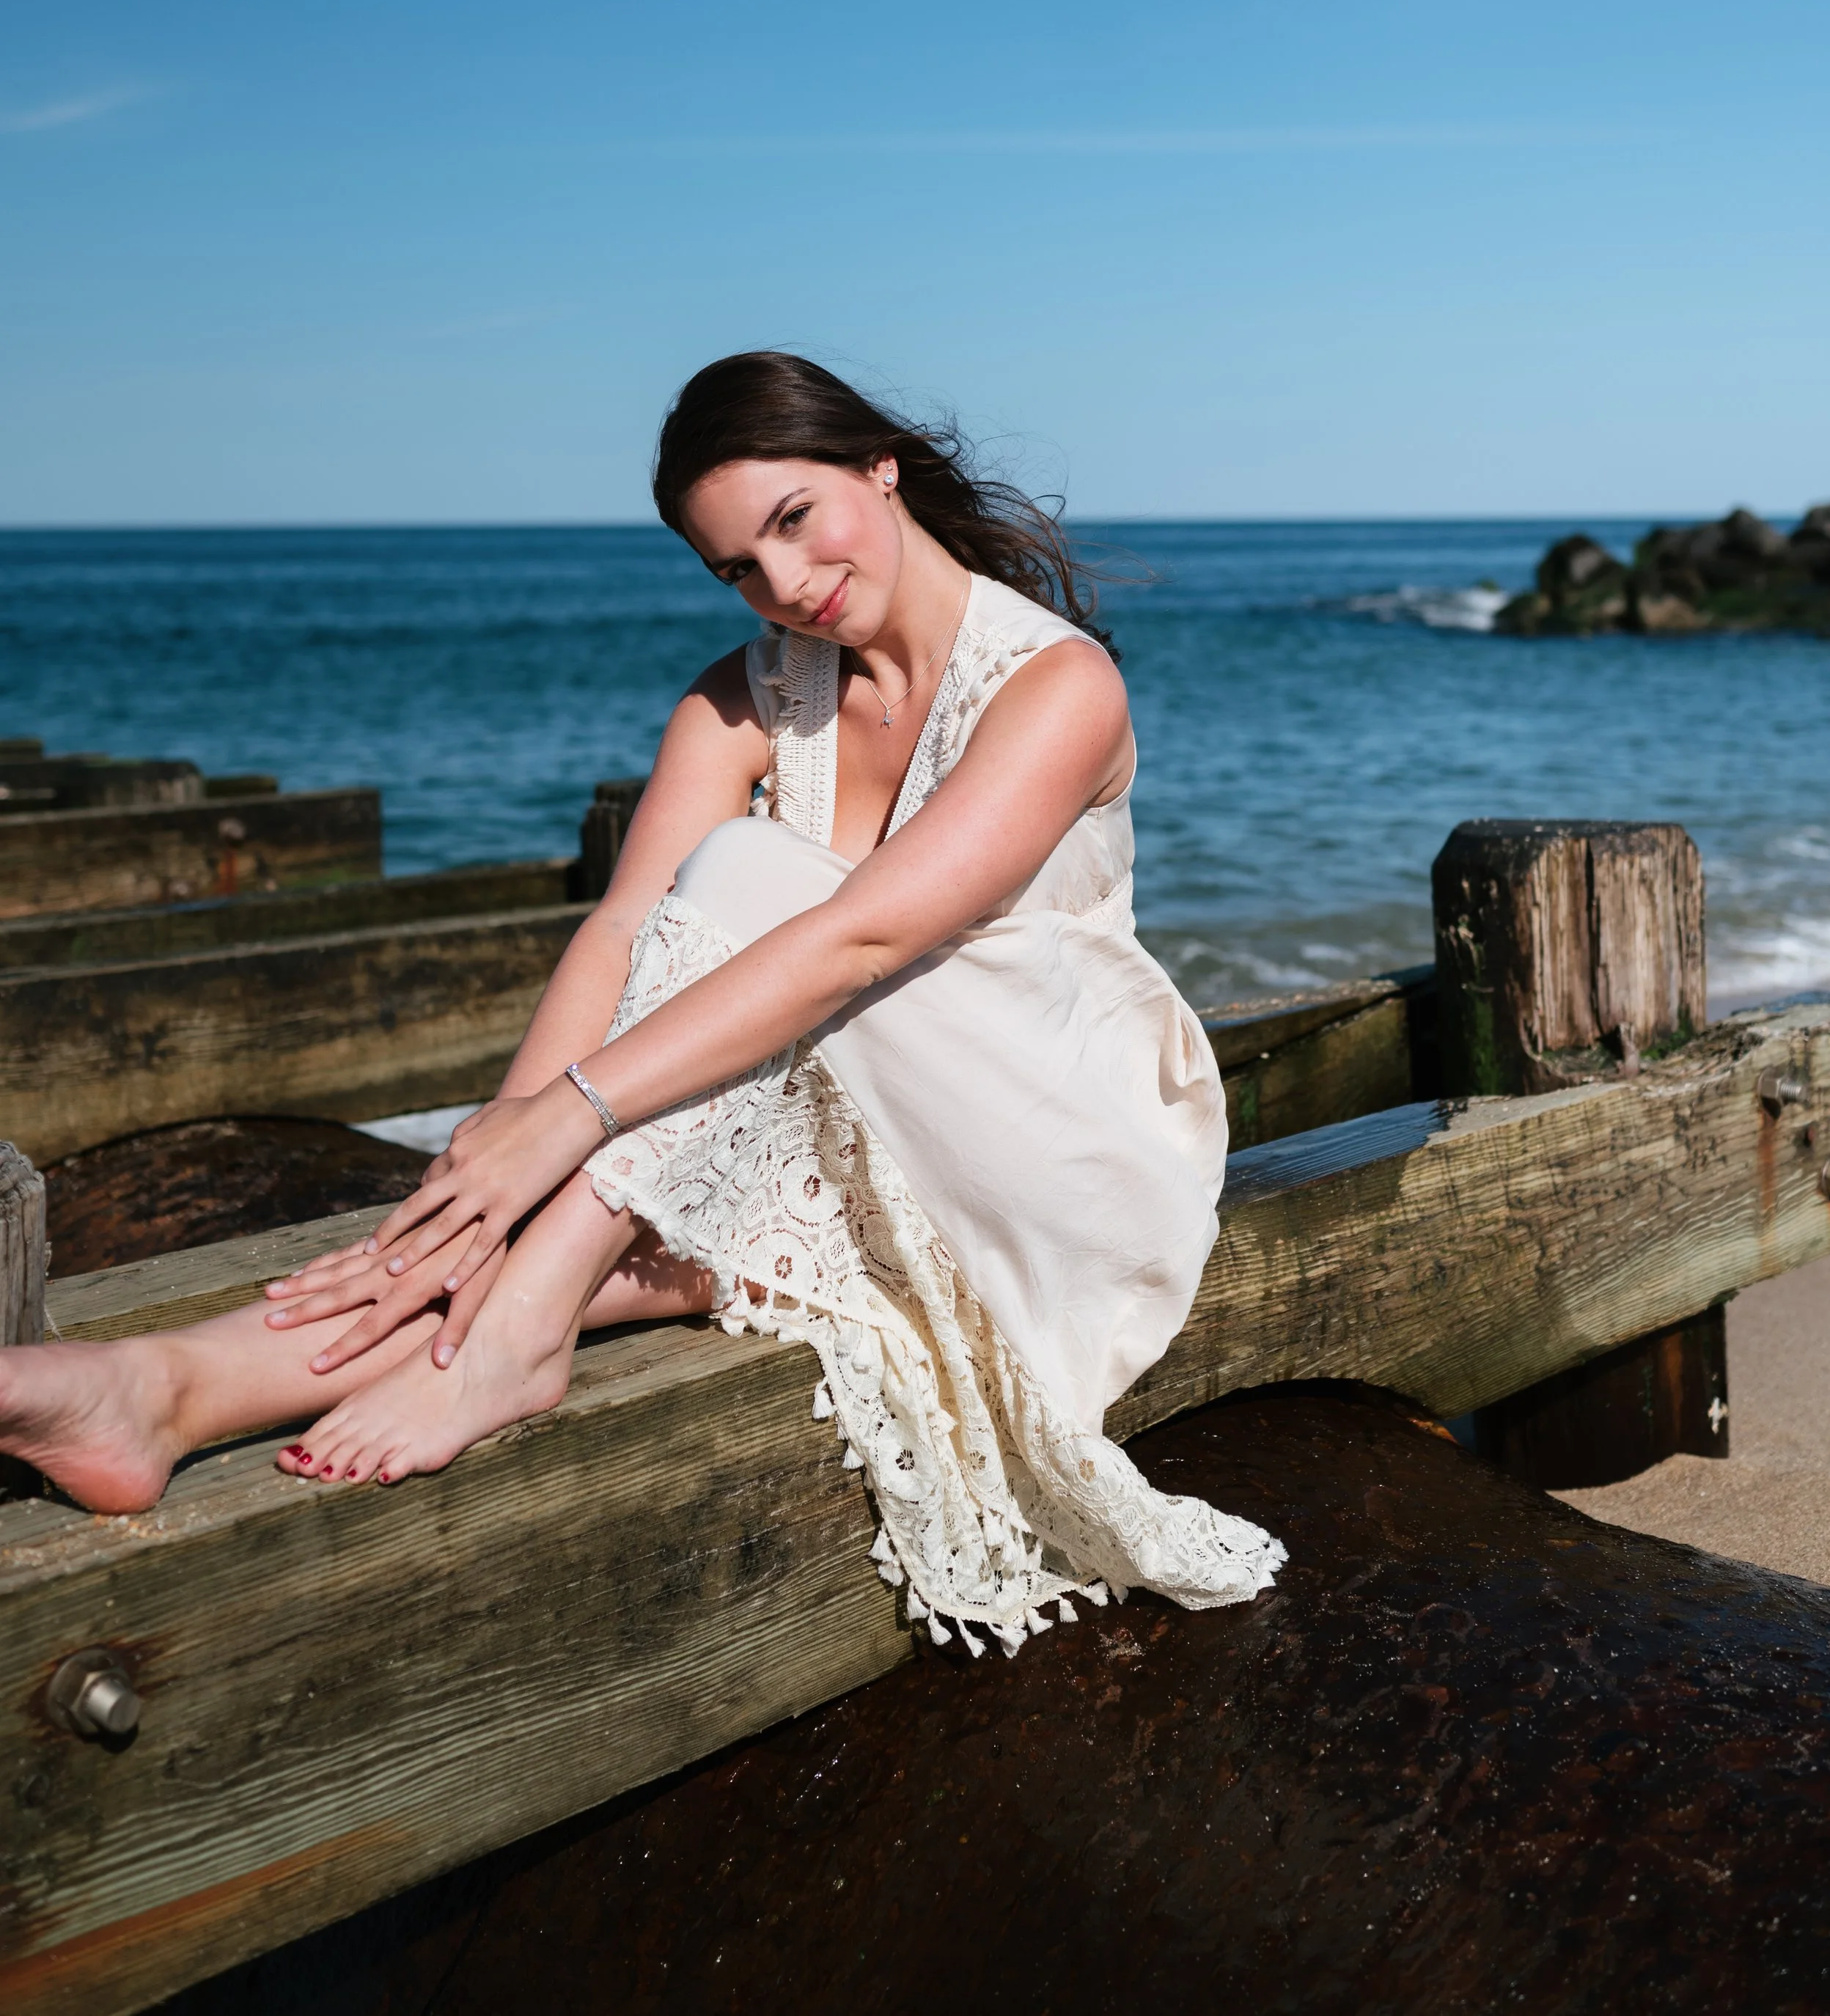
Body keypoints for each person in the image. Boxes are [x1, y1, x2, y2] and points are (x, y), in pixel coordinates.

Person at [0, 353, 1282, 1648]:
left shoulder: (1058, 685)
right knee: (557, 1235)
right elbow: (622, 930)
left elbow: (861, 935)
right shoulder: (749, 694)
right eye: (737, 567)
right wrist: (485, 1167)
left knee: (745, 880)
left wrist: (570, 1117)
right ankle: (153, 1390)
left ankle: (514, 1338)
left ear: (879, 467)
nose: (784, 586)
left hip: (1064, 1148)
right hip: (882, 1129)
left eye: (794, 521)